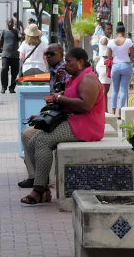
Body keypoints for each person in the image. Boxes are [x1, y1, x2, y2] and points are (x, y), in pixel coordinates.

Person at [20, 47, 107, 205]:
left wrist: (59, 98)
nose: (66, 64)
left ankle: (39, 189)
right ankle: (44, 189)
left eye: (69, 61)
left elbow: (85, 105)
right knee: (32, 141)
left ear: (80, 62)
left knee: (42, 141)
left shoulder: (88, 79)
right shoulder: (74, 78)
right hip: (73, 122)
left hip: (86, 126)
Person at [18, 43, 68, 186]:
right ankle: (37, 178)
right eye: (46, 54)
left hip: (64, 119)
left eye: (52, 54)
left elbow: (63, 98)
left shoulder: (64, 72)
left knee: (33, 137)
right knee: (28, 135)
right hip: (55, 115)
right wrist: (42, 115)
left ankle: (39, 181)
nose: (48, 57)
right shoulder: (54, 71)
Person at [107, 23, 134, 118]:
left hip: (115, 66)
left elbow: (109, 57)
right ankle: (120, 112)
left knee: (115, 89)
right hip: (126, 65)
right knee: (123, 90)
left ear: (116, 32)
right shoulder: (128, 41)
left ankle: (112, 110)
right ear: (124, 32)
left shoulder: (110, 42)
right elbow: (133, 55)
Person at [0, 18, 20, 93]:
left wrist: (21, 31)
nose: (11, 24)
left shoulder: (16, 31)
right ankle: (3, 87)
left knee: (15, 72)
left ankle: (12, 88)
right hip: (5, 55)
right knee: (4, 69)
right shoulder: (3, 32)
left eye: (12, 22)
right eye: (9, 22)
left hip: (15, 55)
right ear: (7, 23)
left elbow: (20, 37)